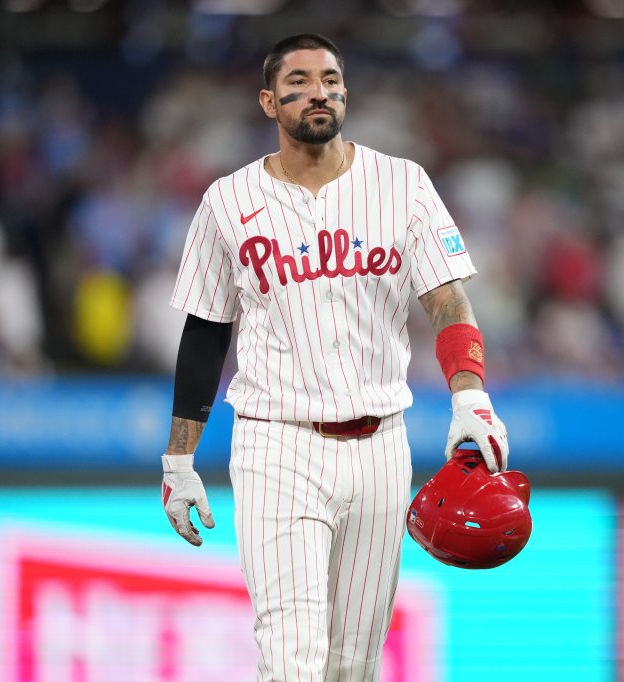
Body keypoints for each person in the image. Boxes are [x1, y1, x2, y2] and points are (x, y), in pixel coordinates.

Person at [160, 33, 510, 682]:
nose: (318, 91)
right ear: (269, 102)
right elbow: (206, 333)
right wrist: (179, 458)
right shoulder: (228, 202)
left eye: (331, 79)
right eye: (298, 82)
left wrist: (470, 394)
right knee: (292, 658)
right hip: (277, 444)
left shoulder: (402, 185)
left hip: (381, 445)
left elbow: (447, 301)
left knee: (353, 666)